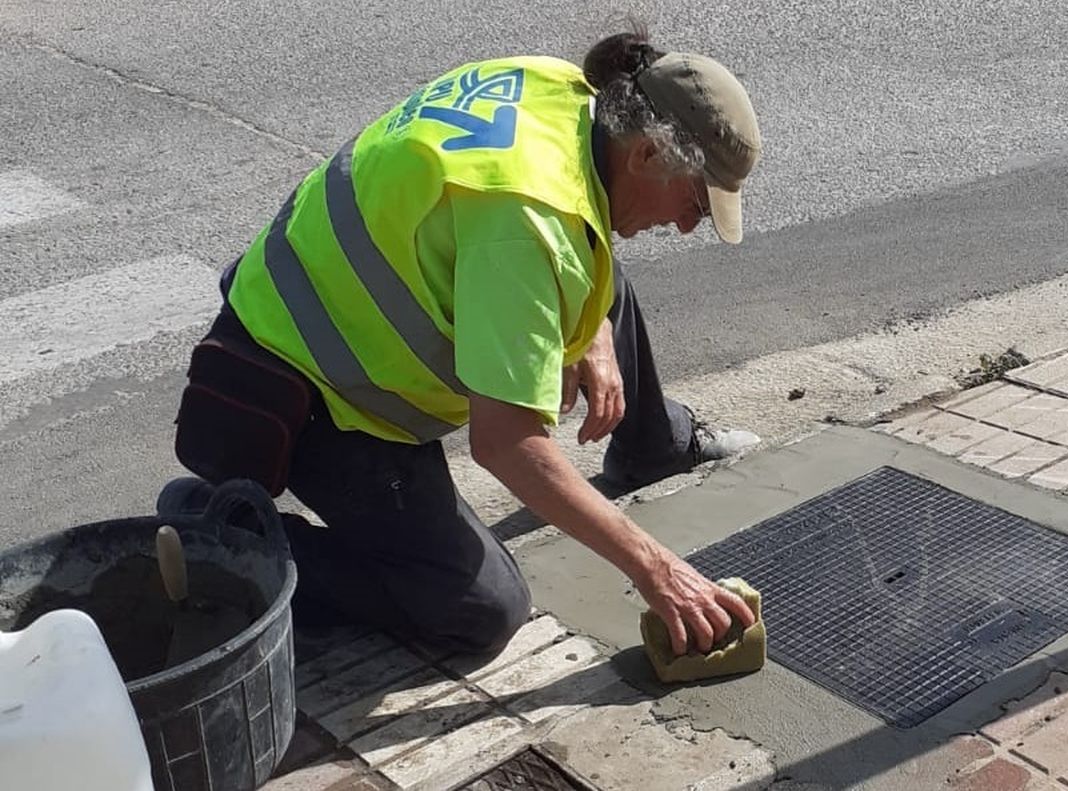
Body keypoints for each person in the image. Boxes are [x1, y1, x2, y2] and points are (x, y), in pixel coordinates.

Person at [157, 27, 760, 658]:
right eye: (696, 202)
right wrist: (656, 568)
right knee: (484, 609)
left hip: (315, 288)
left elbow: (553, 223)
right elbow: (505, 443)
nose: (688, 225)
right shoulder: (525, 228)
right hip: (320, 388)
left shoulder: (569, 94)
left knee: (600, 272)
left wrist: (592, 331)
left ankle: (653, 448)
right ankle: (220, 539)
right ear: (647, 153)